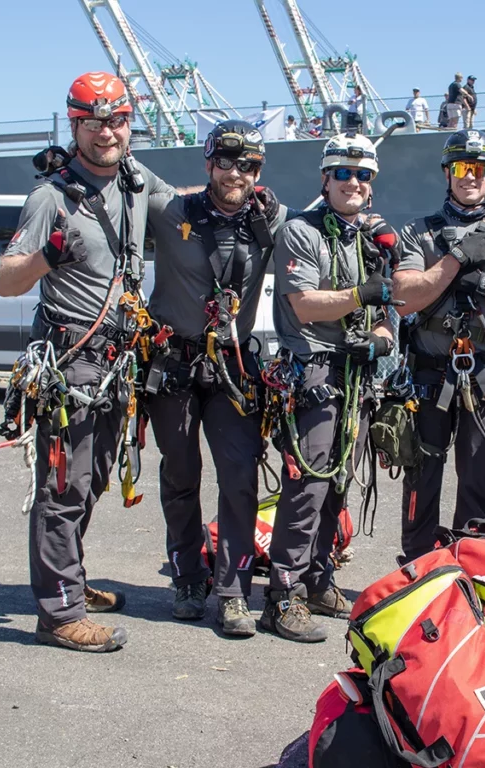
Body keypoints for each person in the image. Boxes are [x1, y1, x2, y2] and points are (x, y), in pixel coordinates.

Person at [0, 71, 171, 652]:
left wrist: (240, 192)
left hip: (117, 360)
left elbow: (184, 208)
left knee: (90, 480)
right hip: (71, 361)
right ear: (75, 125)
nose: (107, 132)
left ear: (130, 123)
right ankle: (59, 612)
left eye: (117, 120)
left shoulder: (137, 181)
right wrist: (47, 253)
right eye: (93, 122)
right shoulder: (50, 198)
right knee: (63, 485)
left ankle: (69, 577)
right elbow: (5, 282)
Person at [145, 120, 291, 637]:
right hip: (176, 363)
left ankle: (232, 592)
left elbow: (327, 226)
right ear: (208, 163)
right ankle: (188, 579)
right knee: (180, 473)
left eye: (248, 164)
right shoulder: (170, 211)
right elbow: (122, 169)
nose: (236, 173)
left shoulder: (272, 221)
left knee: (239, 478)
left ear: (259, 171)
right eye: (225, 161)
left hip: (235, 366)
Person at [262, 133, 399, 643]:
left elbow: (387, 306)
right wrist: (360, 294)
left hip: (357, 375)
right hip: (315, 370)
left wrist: (382, 340)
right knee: (309, 485)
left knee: (339, 483)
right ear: (325, 178)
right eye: (343, 173)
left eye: (364, 175)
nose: (354, 183)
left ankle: (319, 580)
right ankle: (284, 595)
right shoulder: (301, 230)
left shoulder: (371, 237)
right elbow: (305, 304)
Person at [392, 130, 485, 561]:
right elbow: (404, 299)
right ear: (447, 172)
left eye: (479, 169)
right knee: (422, 470)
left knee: (478, 473)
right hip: (429, 369)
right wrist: (455, 261)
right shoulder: (417, 233)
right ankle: (418, 560)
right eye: (461, 168)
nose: (470, 176)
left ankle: (468, 560)